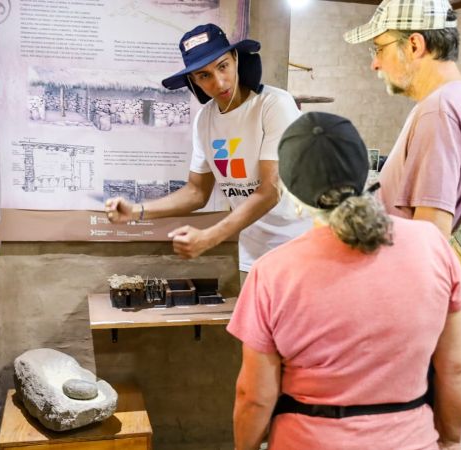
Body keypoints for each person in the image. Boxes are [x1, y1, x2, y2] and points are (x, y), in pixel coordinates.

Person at [227, 112, 461, 450]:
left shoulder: (271, 272)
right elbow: (456, 368)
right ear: (364, 171)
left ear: (291, 189)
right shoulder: (432, 245)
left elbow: (254, 396)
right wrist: (449, 440)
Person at [344, 0, 461, 339]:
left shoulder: (439, 110)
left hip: (422, 322)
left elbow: (429, 239)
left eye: (379, 48)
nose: (374, 63)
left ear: (414, 45)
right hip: (448, 314)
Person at [104, 23, 311, 277]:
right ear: (193, 81)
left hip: (302, 248)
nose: (219, 82)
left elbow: (271, 189)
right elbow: (196, 192)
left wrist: (210, 237)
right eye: (204, 75)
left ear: (235, 58)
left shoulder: (274, 104)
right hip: (254, 255)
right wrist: (137, 211)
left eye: (222, 66)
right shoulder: (205, 120)